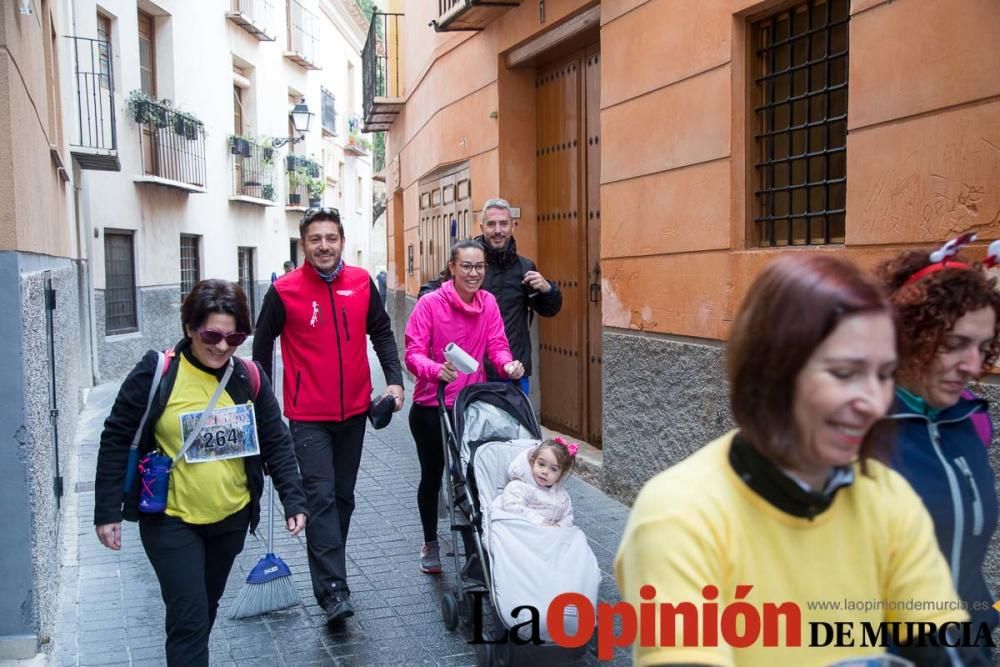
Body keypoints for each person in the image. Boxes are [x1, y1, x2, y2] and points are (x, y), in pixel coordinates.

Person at [615, 254, 986, 667]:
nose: (873, 403)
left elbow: (942, 638)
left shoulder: (886, 493)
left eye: (884, 375)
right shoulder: (678, 514)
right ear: (772, 372)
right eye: (845, 373)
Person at [93, 279, 308, 667]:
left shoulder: (248, 377)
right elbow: (116, 436)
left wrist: (294, 497)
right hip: (171, 521)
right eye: (211, 334)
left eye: (234, 337)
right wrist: (107, 509)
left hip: (231, 519)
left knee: (203, 612)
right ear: (190, 328)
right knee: (189, 620)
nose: (222, 346)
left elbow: (276, 440)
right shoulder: (157, 372)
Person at [252, 207, 404, 625]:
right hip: (307, 417)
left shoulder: (361, 283)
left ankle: (331, 569)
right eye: (315, 239)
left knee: (342, 499)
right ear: (304, 244)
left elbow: (382, 331)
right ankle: (333, 590)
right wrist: (265, 414)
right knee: (319, 498)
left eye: (331, 238)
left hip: (354, 412)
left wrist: (394, 380)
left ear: (341, 241)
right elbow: (261, 352)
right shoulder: (283, 292)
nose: (324, 246)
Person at [876, 235, 1000, 658]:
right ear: (908, 334)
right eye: (954, 345)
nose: (973, 366)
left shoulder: (971, 420)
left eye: (983, 348)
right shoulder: (854, 430)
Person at [405, 239, 525, 573]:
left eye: (479, 267)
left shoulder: (488, 303)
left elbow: (498, 345)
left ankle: (477, 547)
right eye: (467, 266)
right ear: (453, 268)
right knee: (432, 476)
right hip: (432, 405)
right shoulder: (430, 304)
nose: (474, 273)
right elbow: (413, 352)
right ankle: (430, 542)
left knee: (472, 477)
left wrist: (507, 365)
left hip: (469, 407)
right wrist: (435, 369)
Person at [476, 197, 562, 394]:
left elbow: (549, 309)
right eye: (491, 224)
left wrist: (548, 289)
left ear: (513, 226)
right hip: (475, 370)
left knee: (514, 425)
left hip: (514, 370)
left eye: (503, 224)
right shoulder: (469, 265)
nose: (498, 230)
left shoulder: (525, 268)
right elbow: (438, 289)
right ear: (482, 227)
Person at [491, 437, 577, 527]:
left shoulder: (561, 495)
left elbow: (568, 516)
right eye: (541, 464)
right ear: (532, 462)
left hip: (550, 535)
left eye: (553, 469)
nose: (545, 471)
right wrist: (541, 523)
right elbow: (513, 507)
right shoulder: (519, 486)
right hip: (524, 529)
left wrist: (559, 526)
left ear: (560, 475)